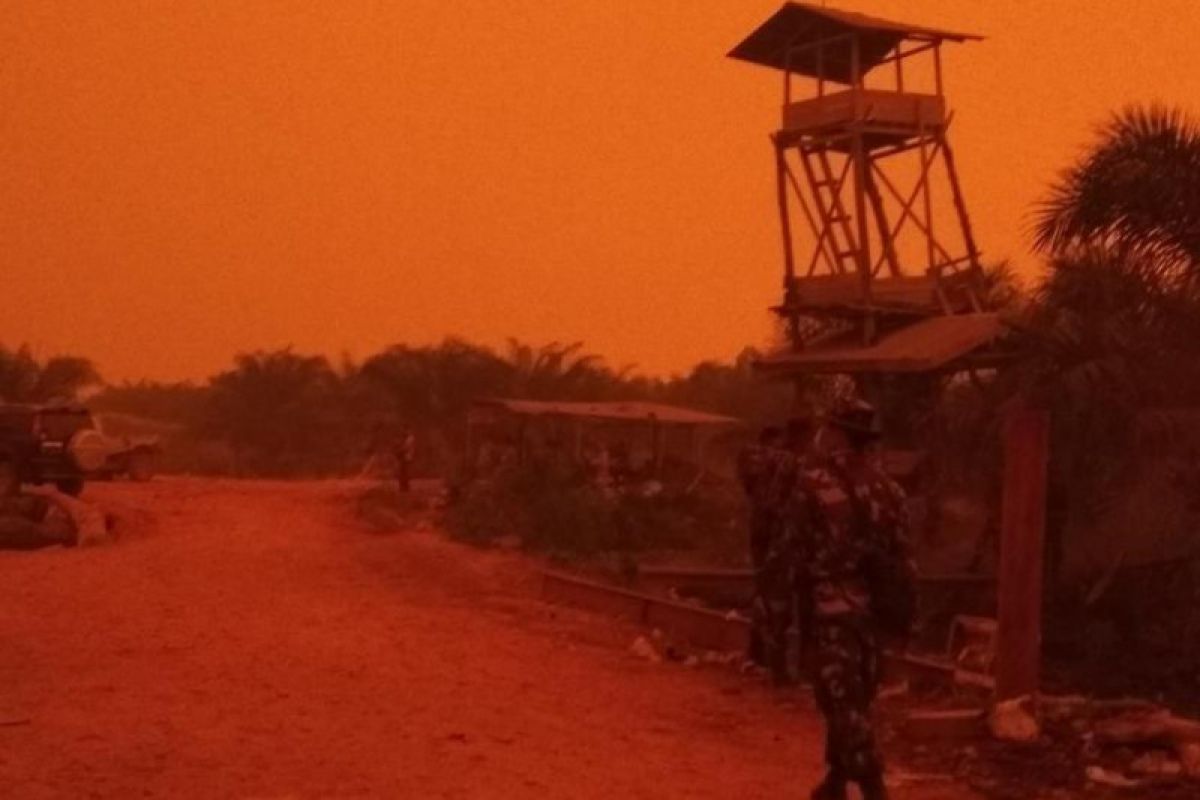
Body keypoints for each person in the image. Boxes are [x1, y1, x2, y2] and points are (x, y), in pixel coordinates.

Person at [791, 398, 915, 800]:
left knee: (840, 702)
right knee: (855, 694)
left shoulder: (814, 483)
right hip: (876, 613)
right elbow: (901, 555)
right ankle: (836, 782)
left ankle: (873, 786)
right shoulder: (891, 489)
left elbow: (796, 552)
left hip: (832, 609)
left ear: (838, 433)